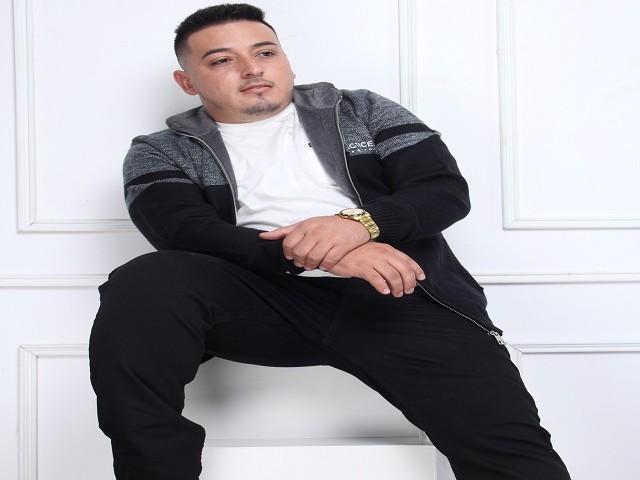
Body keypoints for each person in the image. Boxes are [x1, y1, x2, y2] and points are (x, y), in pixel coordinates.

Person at [88, 3, 573, 479]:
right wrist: (312, 254)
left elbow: (442, 191)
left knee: (513, 458)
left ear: (286, 59)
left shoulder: (362, 110)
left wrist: (357, 226)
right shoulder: (160, 150)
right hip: (263, 299)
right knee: (143, 282)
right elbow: (180, 229)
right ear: (187, 82)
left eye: (265, 52)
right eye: (222, 60)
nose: (252, 69)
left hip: (397, 293)